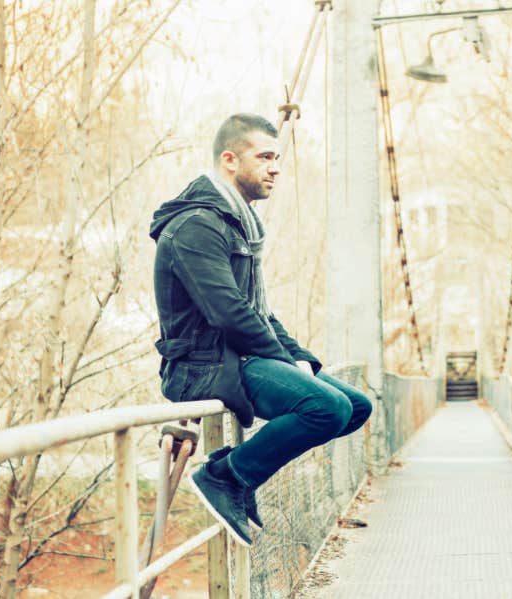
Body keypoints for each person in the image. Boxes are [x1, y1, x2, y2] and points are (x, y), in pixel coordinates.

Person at [150, 113, 373, 546]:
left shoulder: (240, 222)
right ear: (230, 160)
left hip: (237, 356)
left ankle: (239, 475)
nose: (276, 167)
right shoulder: (197, 225)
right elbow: (229, 313)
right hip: (203, 366)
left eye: (278, 157)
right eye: (265, 157)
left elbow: (259, 312)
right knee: (327, 409)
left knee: (355, 407)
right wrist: (284, 360)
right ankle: (224, 477)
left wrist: (301, 359)